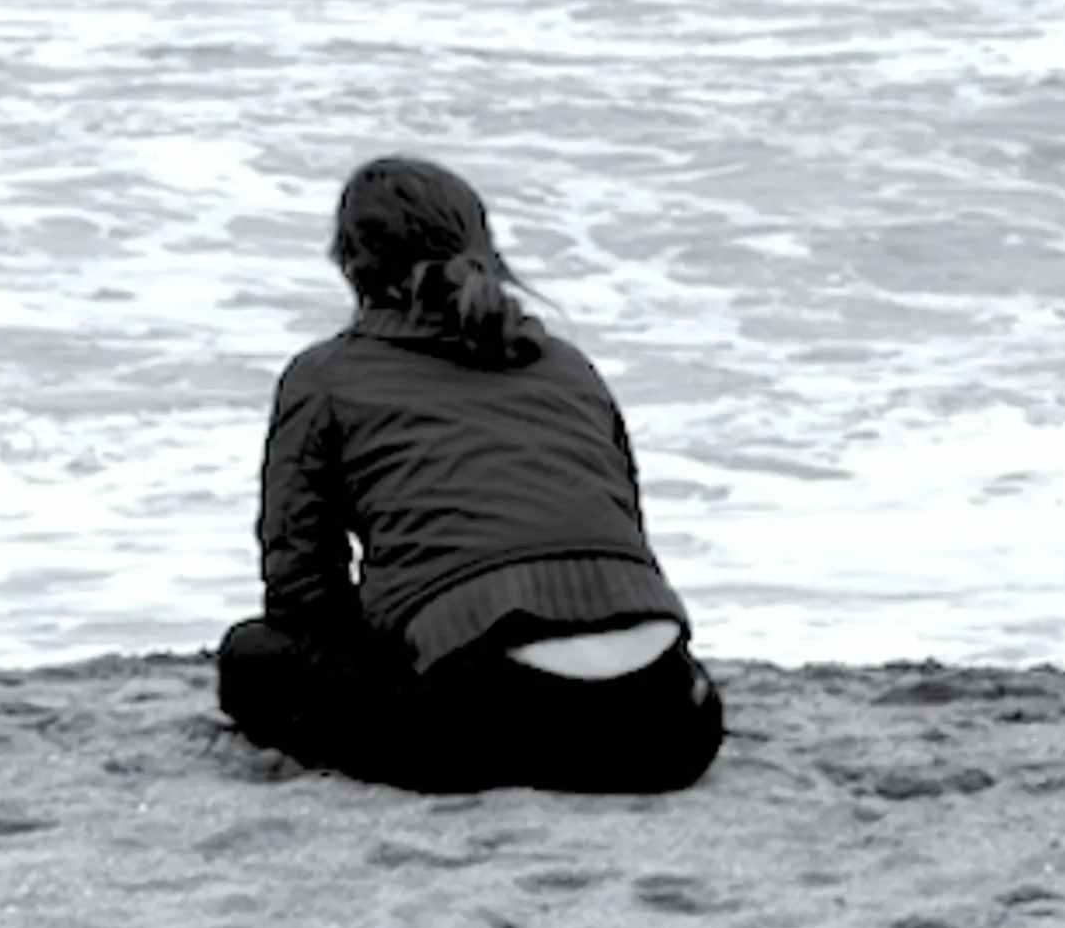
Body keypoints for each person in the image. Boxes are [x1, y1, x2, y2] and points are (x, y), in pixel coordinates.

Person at [218, 156, 724, 793]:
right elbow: (620, 526)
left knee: (251, 659)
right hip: (671, 723)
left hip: (484, 720)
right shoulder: (568, 366)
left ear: (349, 261)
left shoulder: (323, 377)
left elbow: (300, 587)